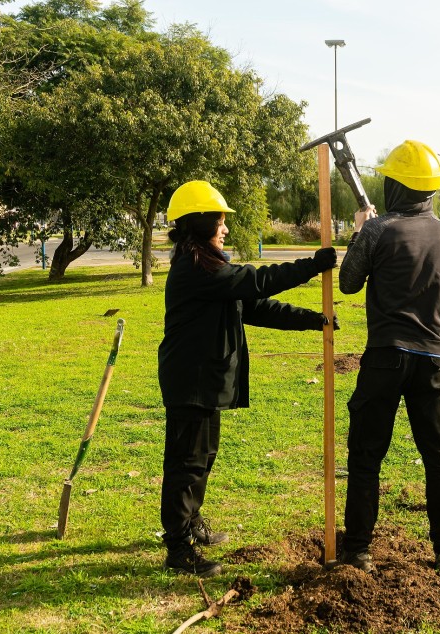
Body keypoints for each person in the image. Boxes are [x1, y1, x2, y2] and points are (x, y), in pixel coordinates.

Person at [158, 180, 337, 577]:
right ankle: (178, 548)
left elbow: (256, 306)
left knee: (203, 457)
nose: (225, 228)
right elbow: (258, 280)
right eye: (220, 221)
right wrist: (312, 265)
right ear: (201, 223)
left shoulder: (210, 265)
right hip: (191, 380)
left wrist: (314, 320)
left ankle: (191, 523)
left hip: (204, 380)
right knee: (187, 464)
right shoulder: (195, 269)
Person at [337, 140, 440, 575]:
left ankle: (358, 552)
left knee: (366, 457)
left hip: (384, 359)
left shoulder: (377, 230)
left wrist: (360, 232)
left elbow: (348, 283)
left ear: (395, 186)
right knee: (439, 458)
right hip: (434, 364)